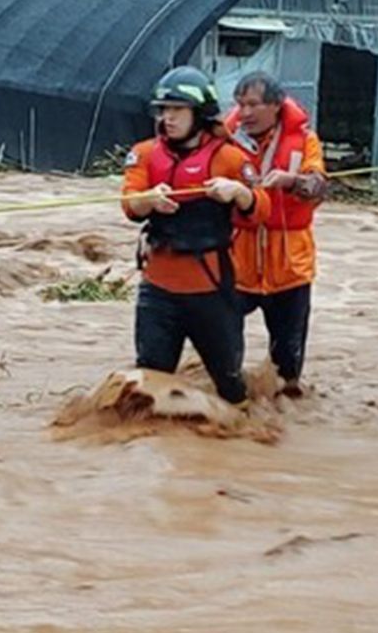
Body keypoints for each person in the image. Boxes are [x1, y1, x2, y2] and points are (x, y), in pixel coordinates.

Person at [122, 66, 269, 404]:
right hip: (158, 293)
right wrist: (148, 200)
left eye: (177, 110)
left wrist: (239, 193)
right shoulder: (144, 153)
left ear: (199, 114)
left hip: (212, 293)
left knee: (230, 387)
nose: (167, 118)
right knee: (149, 386)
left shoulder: (230, 158)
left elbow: (262, 211)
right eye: (163, 109)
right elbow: (129, 202)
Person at [223, 72, 327, 397]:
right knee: (222, 357)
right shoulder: (225, 139)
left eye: (253, 104)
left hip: (289, 269)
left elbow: (320, 187)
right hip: (236, 263)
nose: (245, 113)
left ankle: (283, 420)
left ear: (276, 106)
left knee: (287, 370)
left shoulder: (306, 140)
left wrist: (291, 181)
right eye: (240, 105)